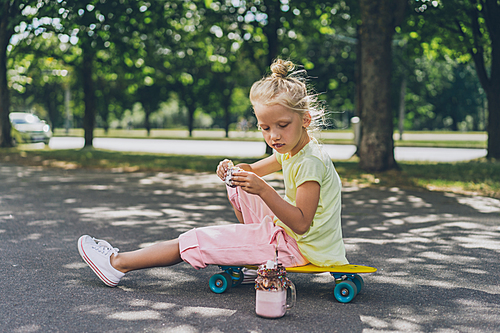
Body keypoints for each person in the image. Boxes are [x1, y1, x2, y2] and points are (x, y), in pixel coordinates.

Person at [77, 59, 349, 288]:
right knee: (237, 183)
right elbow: (252, 171)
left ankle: (117, 264)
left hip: (296, 247)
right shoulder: (293, 149)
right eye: (265, 128)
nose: (273, 136)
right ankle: (254, 251)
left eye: (282, 125)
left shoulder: (310, 163)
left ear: (305, 120)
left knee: (197, 239)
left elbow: (301, 223)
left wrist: (263, 189)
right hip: (290, 237)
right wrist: (233, 170)